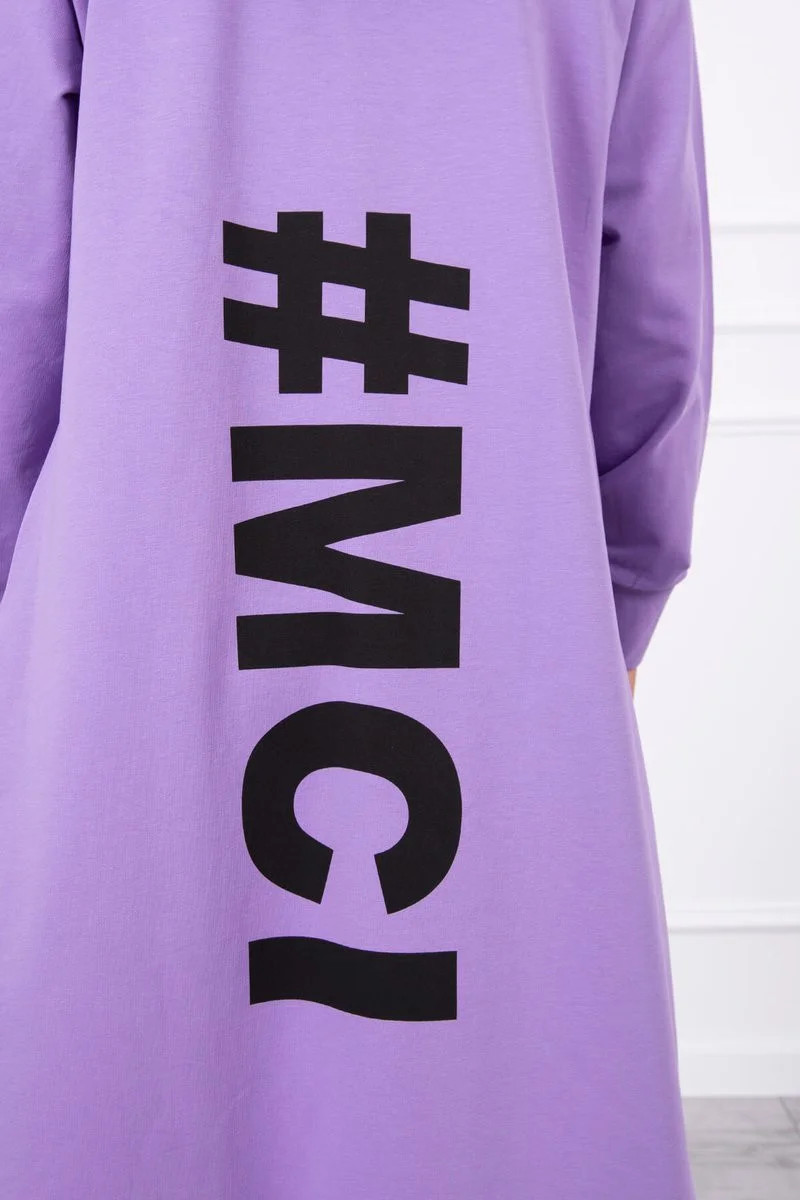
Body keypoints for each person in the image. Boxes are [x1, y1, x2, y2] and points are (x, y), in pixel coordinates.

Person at [0, 1, 712, 1197]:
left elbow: (17, 276)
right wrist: (616, 601)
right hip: (500, 602)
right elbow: (654, 303)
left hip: (133, 609)